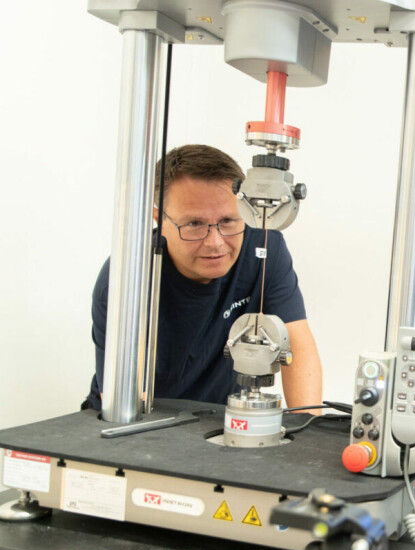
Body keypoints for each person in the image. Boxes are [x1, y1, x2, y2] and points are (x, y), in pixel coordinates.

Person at [85, 144, 323, 412]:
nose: (216, 242)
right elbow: (121, 401)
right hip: (140, 420)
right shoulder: (126, 278)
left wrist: (307, 431)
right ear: (158, 219)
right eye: (194, 224)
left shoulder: (265, 248)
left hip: (219, 421)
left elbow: (297, 347)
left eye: (229, 221)